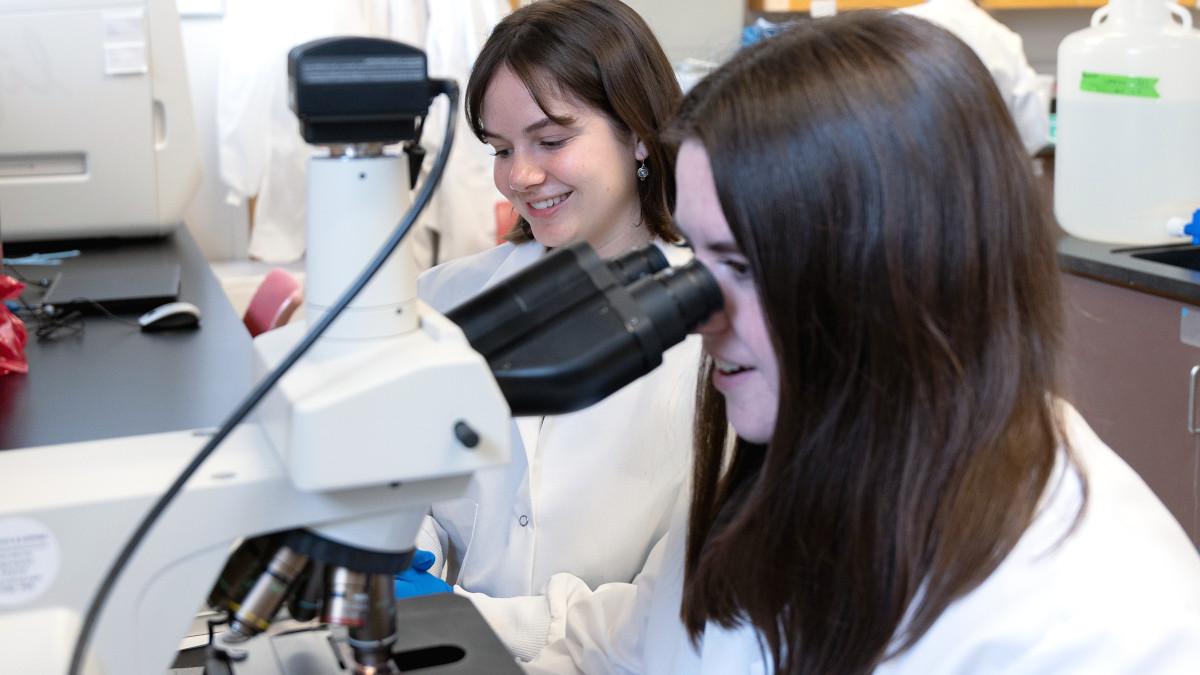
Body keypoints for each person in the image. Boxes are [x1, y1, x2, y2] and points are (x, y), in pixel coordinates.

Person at [528, 12, 1200, 674]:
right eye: (700, 261)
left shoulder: (1096, 618)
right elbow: (619, 650)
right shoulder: (790, 460)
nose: (702, 317)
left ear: (893, 273)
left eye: (741, 266)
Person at [406, 0, 702, 662]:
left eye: (551, 140)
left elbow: (674, 603)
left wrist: (461, 615)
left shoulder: (718, 335)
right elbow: (406, 484)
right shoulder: (444, 298)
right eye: (502, 149)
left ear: (637, 132)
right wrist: (401, 547)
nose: (520, 176)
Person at [899, 0, 1049, 154]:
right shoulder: (1001, 39)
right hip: (984, 170)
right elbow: (1034, 133)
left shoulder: (896, 26)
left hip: (906, 167)